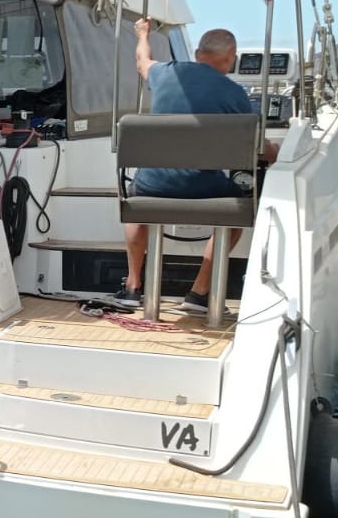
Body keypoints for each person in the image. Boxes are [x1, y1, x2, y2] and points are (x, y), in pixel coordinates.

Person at [111, 21, 278, 315]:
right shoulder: (235, 94)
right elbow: (259, 148)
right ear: (231, 58)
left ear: (198, 53)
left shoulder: (163, 73)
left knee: (137, 205)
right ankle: (200, 293)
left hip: (153, 187)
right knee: (237, 210)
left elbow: (141, 60)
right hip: (206, 189)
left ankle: (133, 287)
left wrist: (142, 34)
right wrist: (279, 152)